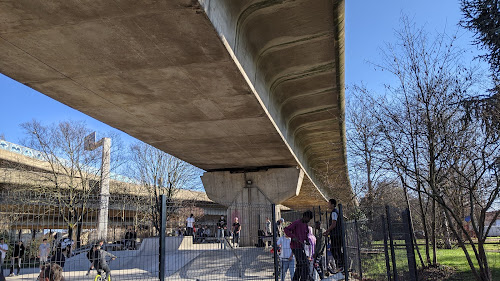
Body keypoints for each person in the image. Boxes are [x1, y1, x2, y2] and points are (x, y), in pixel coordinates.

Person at [284, 210, 313, 281]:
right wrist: (293, 237)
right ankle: (304, 279)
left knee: (300, 265)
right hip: (295, 247)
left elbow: (305, 235)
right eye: (308, 219)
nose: (308, 221)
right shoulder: (296, 223)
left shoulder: (305, 226)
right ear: (305, 217)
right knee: (305, 264)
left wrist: (307, 241)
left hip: (301, 247)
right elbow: (286, 229)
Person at [323, 199, 344, 273]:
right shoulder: (337, 212)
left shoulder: (334, 213)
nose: (328, 205)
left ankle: (340, 265)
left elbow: (334, 224)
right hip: (337, 234)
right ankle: (341, 265)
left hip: (336, 235)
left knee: (335, 249)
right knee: (337, 249)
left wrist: (327, 231)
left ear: (332, 204)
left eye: (329, 203)